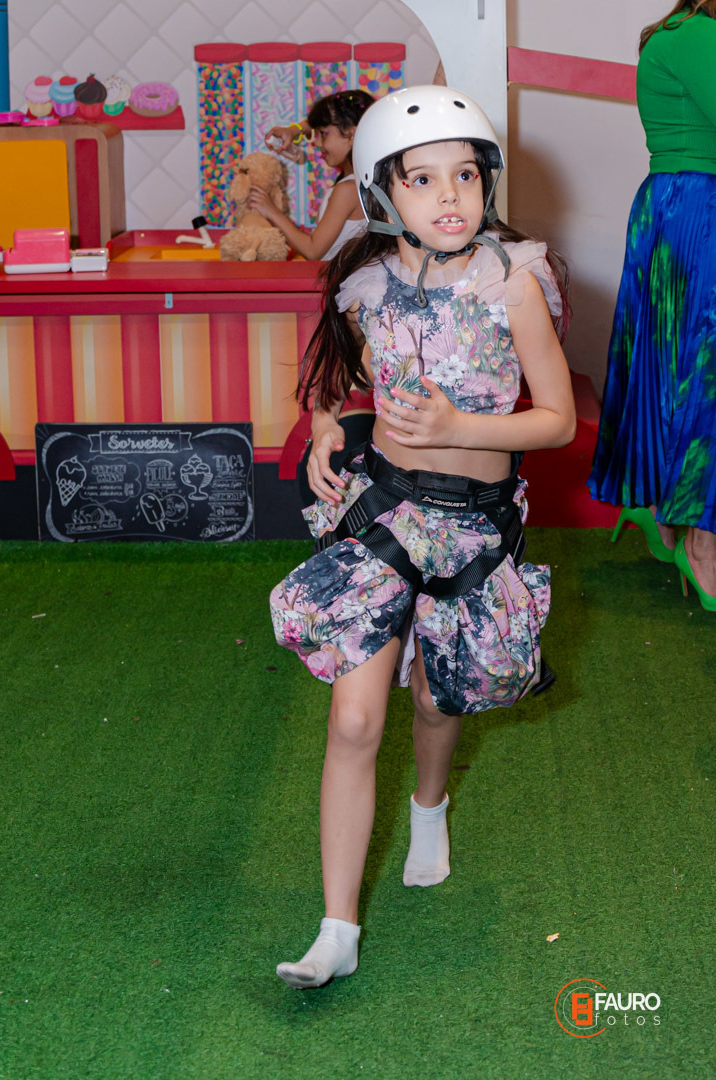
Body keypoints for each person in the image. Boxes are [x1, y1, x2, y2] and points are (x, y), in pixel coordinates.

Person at [269, 85, 576, 988]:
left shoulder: (513, 282)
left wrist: (457, 426)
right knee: (355, 716)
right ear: (379, 193)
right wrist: (327, 426)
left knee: (438, 702)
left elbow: (556, 419)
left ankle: (429, 805)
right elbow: (338, 383)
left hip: (473, 526)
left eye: (466, 176)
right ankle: (336, 929)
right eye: (422, 179)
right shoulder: (367, 289)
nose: (450, 196)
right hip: (384, 510)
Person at [588, 0, 716, 610]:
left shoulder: (679, 34)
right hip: (698, 207)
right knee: (703, 374)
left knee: (672, 367)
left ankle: (666, 510)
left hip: (680, 207)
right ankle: (702, 542)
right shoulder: (696, 34)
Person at [251, 89, 374, 260]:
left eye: (322, 133)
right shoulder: (358, 183)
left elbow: (312, 250)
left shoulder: (347, 190)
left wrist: (271, 211)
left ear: (351, 134)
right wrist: (295, 130)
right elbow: (337, 119)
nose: (316, 142)